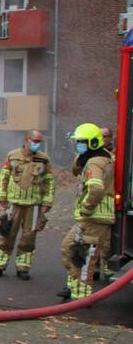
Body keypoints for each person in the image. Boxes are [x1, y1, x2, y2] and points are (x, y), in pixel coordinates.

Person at [59, 123, 115, 300]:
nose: (78, 145)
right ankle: (74, 288)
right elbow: (75, 170)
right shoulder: (99, 158)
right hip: (94, 216)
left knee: (82, 256)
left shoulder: (94, 162)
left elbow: (96, 189)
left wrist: (86, 208)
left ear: (91, 143)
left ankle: (81, 297)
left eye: (81, 142)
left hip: (94, 216)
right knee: (70, 248)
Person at [0, 129, 54, 280]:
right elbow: (4, 177)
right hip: (13, 204)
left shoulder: (44, 159)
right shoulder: (13, 156)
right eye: (35, 141)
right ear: (27, 140)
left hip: (34, 205)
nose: (37, 145)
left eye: (39, 142)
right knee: (6, 235)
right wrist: (1, 196)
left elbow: (49, 181)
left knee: (28, 238)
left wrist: (47, 201)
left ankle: (23, 268)